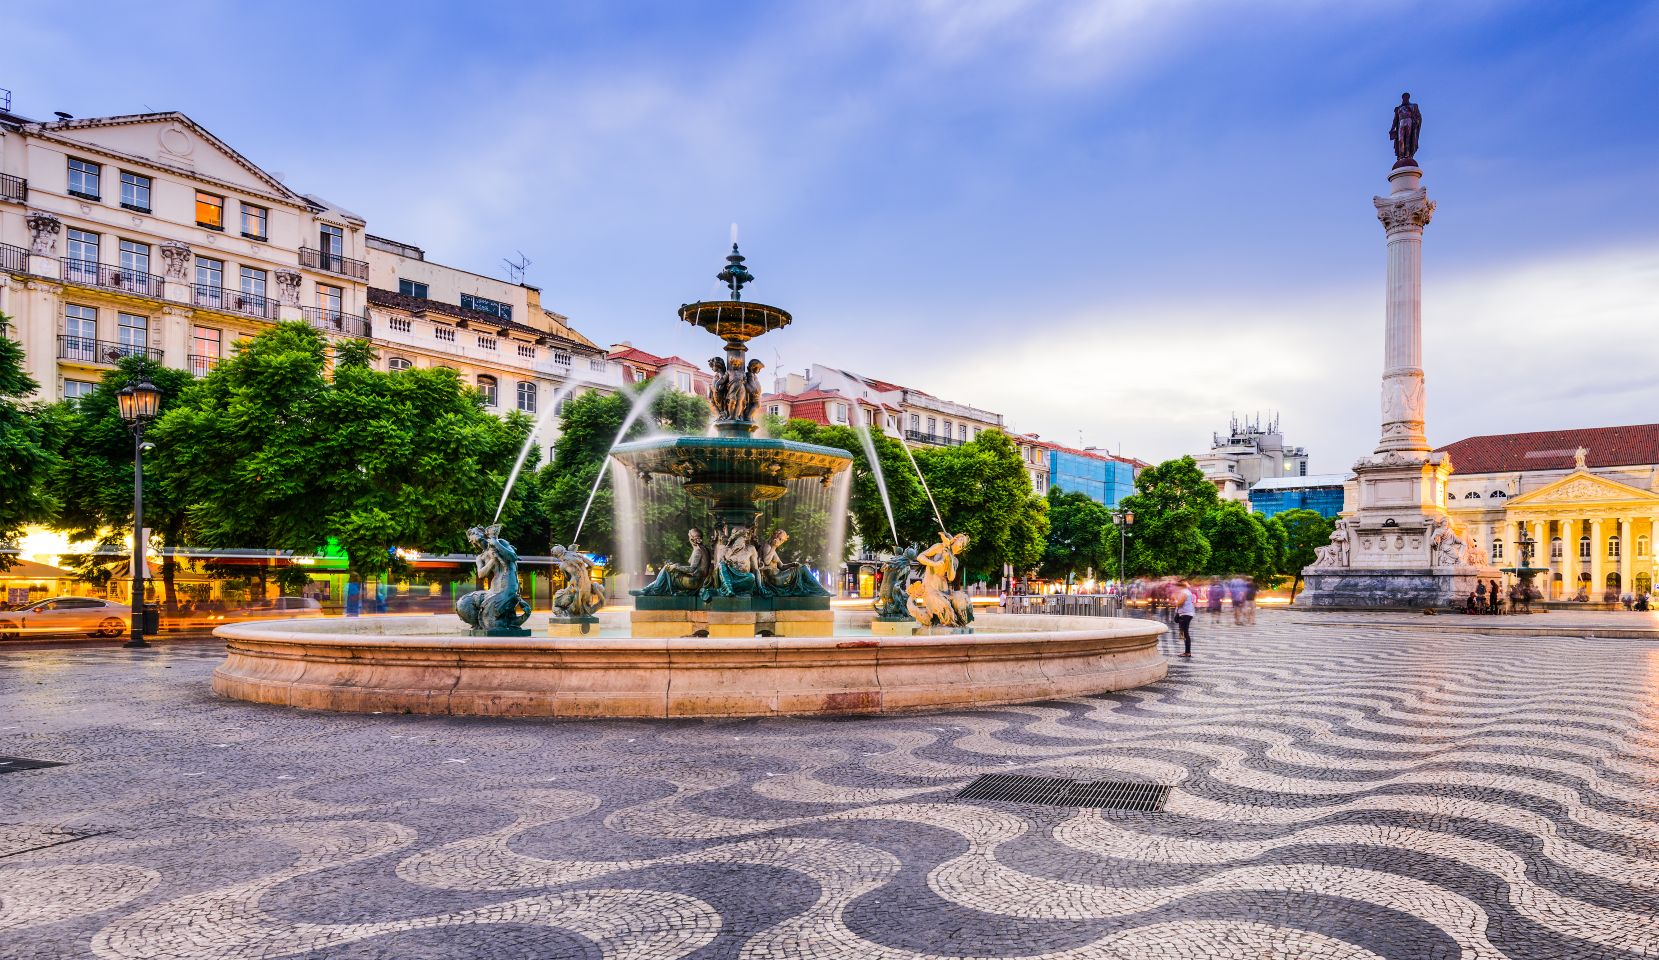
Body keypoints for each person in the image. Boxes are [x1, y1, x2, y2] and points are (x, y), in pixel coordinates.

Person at [1171, 580, 1195, 658]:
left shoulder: (1184, 593)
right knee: (1183, 630)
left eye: (1178, 586)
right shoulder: (1186, 591)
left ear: (1181, 586)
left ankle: (1187, 652)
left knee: (1185, 633)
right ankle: (1187, 651)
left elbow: (1179, 603)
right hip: (1185, 613)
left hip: (1186, 614)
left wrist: (1174, 599)